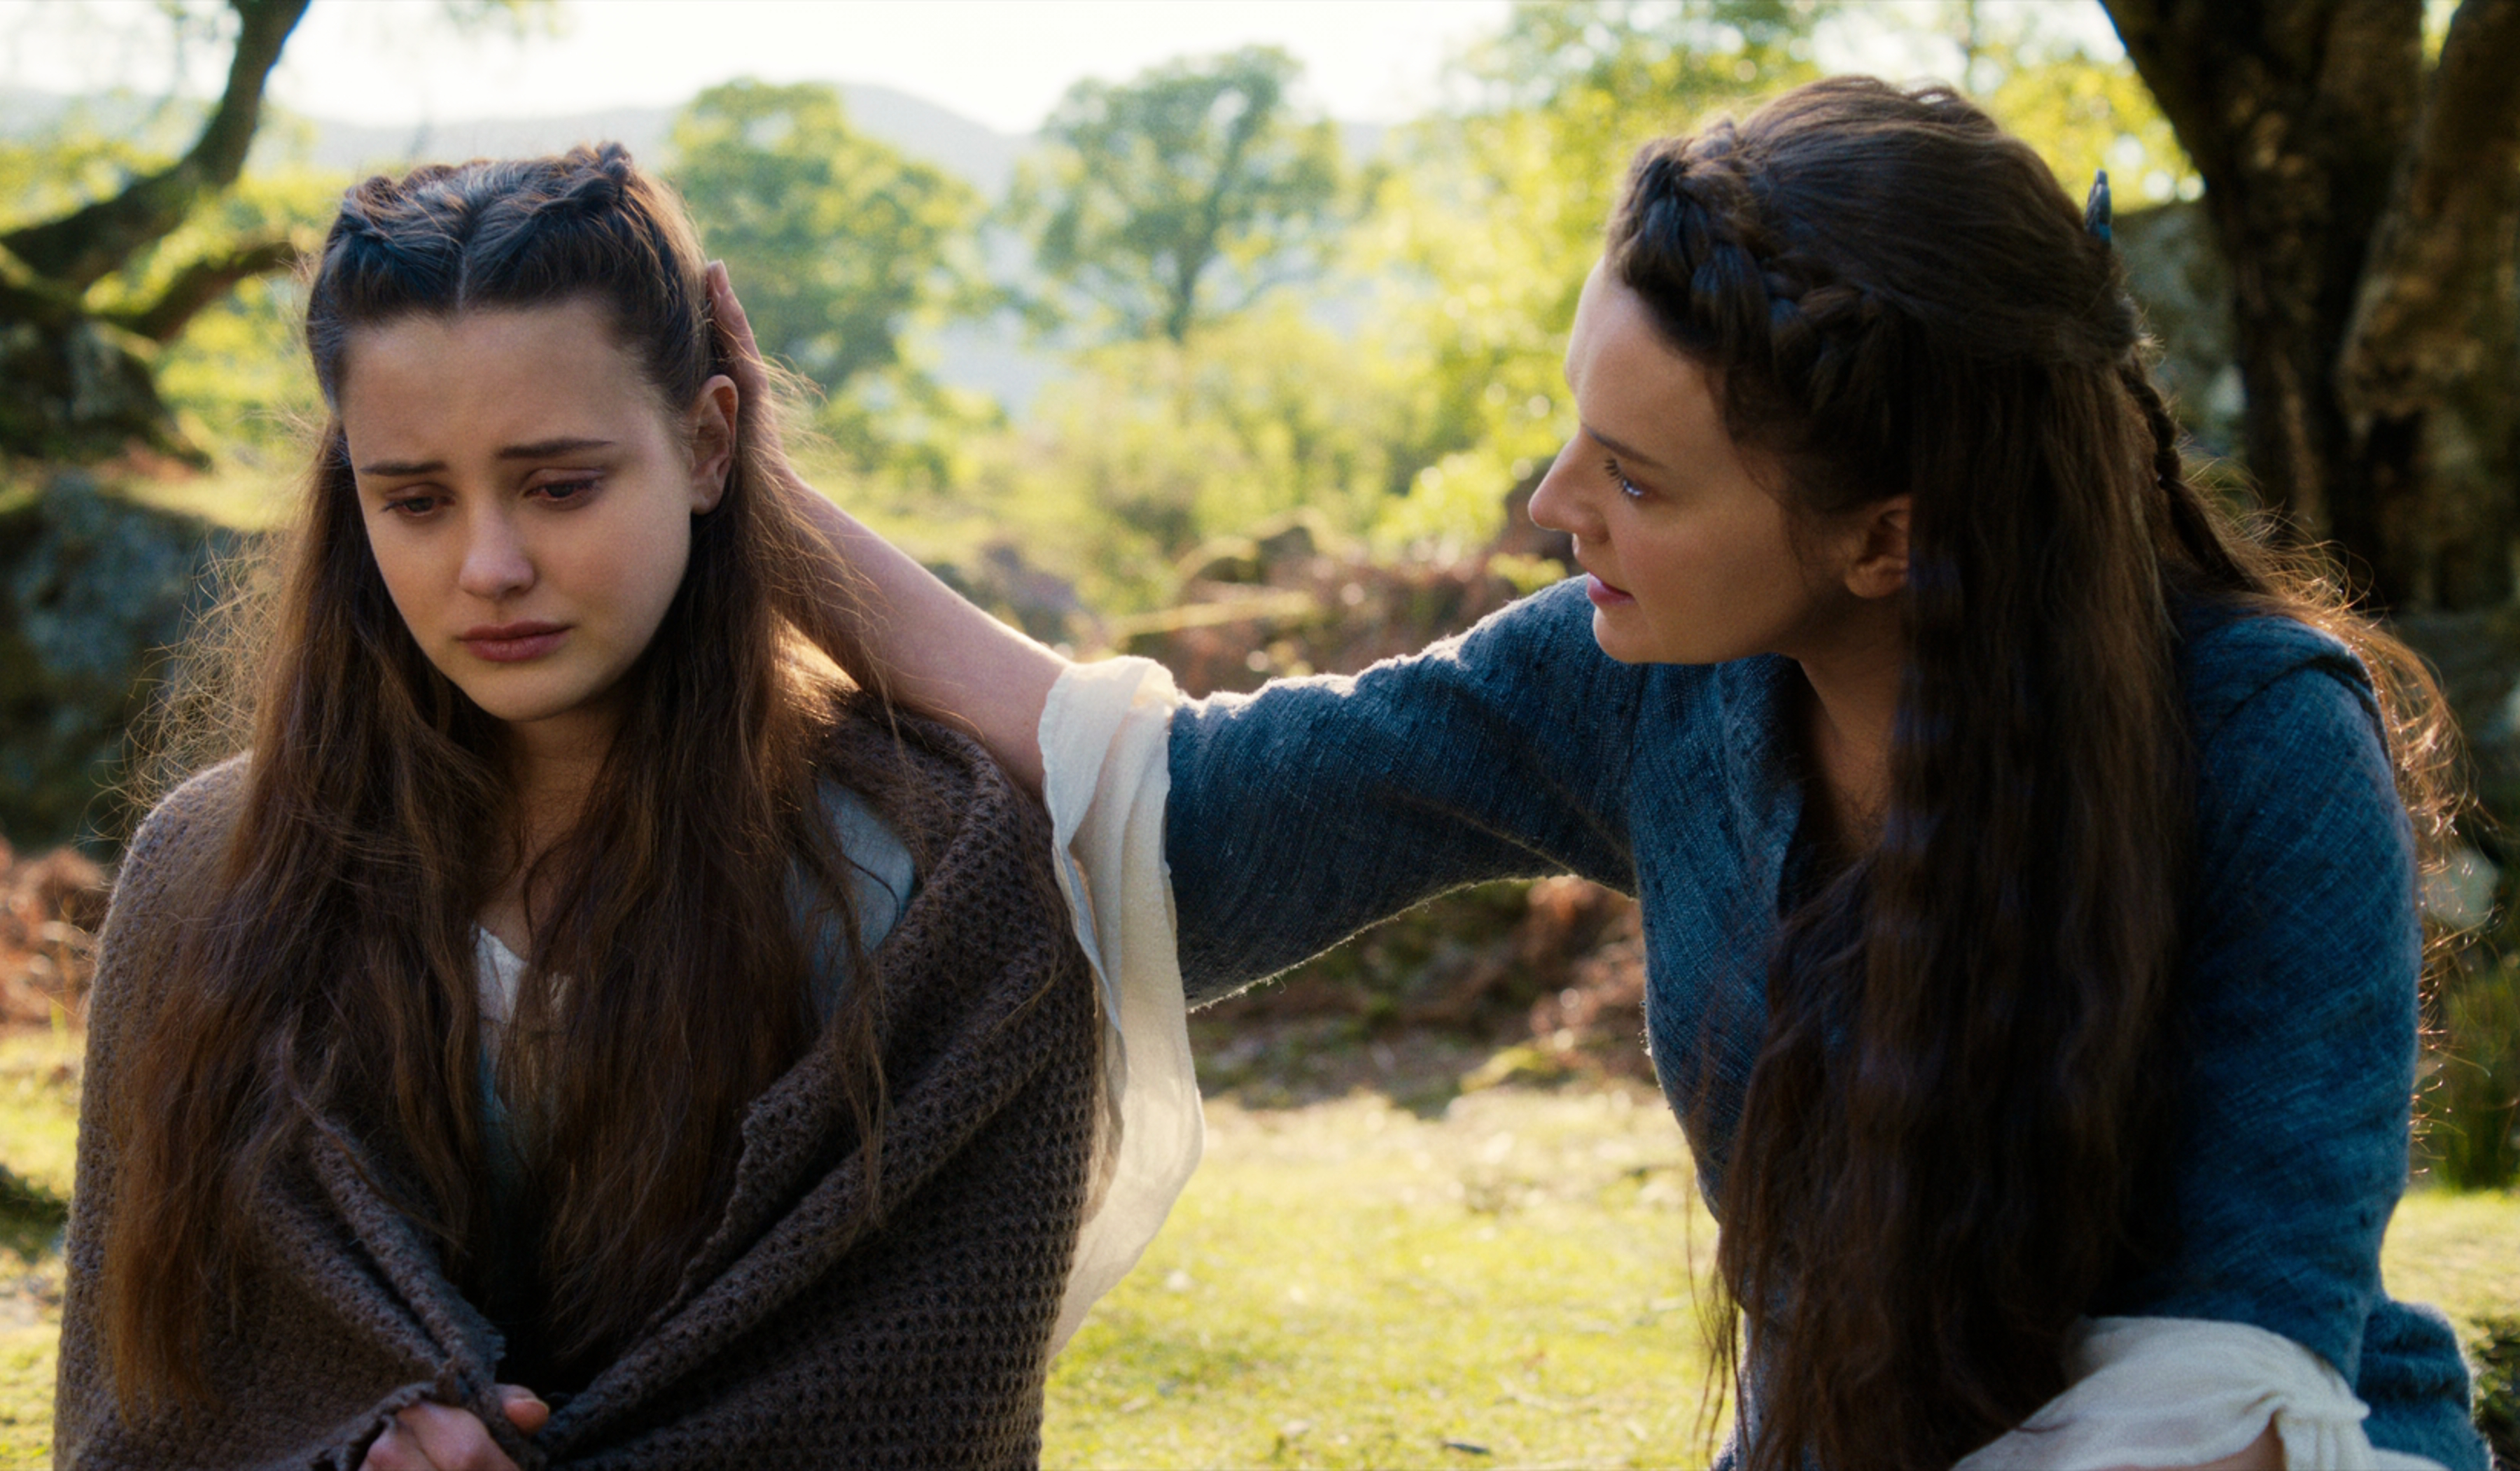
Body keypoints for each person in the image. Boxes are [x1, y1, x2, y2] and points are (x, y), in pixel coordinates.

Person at [734, 79, 2492, 1470]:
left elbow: (2237, 1380)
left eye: (1639, 478)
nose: (1552, 505)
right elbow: (1194, 809)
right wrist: (729, 469)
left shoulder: (2267, 746)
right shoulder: (1647, 681)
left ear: (1891, 538)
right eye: (1575, 425)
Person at [53, 144, 1200, 1471]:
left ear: (712, 443)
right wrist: (349, 1443)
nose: (489, 566)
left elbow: (913, 1401)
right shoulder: (208, 874)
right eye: (414, 500)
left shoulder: (927, 887)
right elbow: (150, 1409)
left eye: (560, 485)